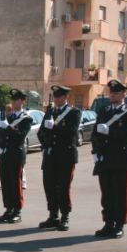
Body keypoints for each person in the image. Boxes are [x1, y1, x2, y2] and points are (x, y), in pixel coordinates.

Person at [92, 79, 127, 239]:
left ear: (124, 94)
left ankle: (119, 224)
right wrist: (95, 151)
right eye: (111, 92)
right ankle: (108, 222)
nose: (112, 95)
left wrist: (109, 132)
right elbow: (96, 133)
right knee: (107, 193)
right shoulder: (104, 111)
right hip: (105, 158)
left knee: (121, 193)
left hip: (121, 158)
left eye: (116, 92)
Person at [37, 85, 81, 231]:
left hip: (65, 156)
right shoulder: (50, 111)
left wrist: (54, 128)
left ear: (65, 97)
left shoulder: (74, 112)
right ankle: (53, 215)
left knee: (63, 187)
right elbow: (41, 132)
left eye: (59, 97)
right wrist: (45, 143)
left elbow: (71, 132)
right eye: (55, 96)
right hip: (50, 155)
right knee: (49, 186)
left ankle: (65, 216)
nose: (56, 99)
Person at [0, 89, 33, 224]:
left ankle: (17, 210)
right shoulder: (9, 117)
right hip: (5, 154)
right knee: (5, 182)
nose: (14, 102)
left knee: (15, 182)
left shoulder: (26, 118)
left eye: (16, 100)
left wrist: (9, 129)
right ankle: (8, 208)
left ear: (23, 101)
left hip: (16, 153)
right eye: (13, 100)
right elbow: (0, 134)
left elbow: (20, 136)